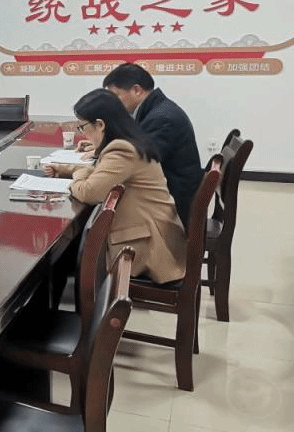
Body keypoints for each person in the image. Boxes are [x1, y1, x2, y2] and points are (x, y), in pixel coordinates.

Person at [44, 89, 186, 283]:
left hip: (147, 246)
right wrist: (63, 170)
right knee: (68, 249)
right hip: (154, 232)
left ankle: (74, 300)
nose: (82, 133)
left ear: (100, 125)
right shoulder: (130, 140)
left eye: (82, 127)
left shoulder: (122, 149)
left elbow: (89, 192)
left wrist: (76, 175)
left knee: (62, 254)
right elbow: (101, 171)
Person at [99, 63, 202, 226]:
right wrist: (103, 145)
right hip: (172, 192)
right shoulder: (155, 109)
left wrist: (102, 151)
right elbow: (133, 143)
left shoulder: (162, 119)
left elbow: (134, 161)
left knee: (99, 210)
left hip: (174, 205)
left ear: (137, 90)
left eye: (116, 96)